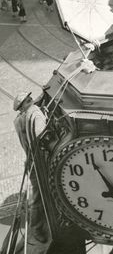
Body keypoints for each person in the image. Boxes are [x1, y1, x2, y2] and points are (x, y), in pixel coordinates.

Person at [13, 92, 48, 243]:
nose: (31, 101)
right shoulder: (31, 116)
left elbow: (33, 105)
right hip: (37, 162)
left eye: (30, 98)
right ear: (22, 108)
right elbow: (42, 138)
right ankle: (36, 228)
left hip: (31, 160)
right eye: (28, 101)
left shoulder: (19, 119)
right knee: (37, 197)